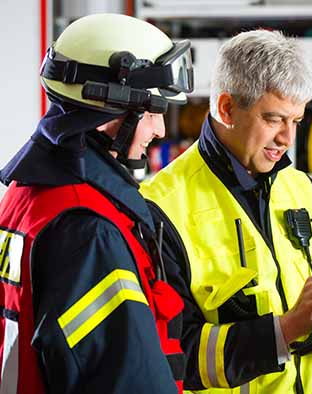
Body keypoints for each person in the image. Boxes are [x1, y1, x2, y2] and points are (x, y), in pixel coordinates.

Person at [140, 29, 312, 393]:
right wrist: (283, 332)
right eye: (274, 119)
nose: (288, 139)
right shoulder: (160, 207)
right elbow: (170, 357)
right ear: (227, 108)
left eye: (295, 121)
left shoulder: (307, 192)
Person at [0, 14, 194, 393]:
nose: (160, 130)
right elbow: (128, 379)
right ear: (110, 112)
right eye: (153, 112)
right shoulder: (90, 231)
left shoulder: (25, 196)